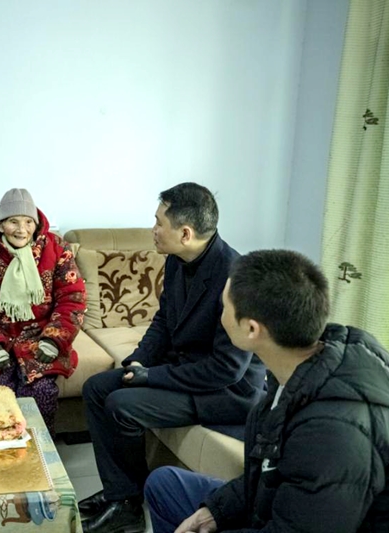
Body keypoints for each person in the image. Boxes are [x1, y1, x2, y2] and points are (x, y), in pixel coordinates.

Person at [144, 250, 389, 532]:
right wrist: (215, 510)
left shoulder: (332, 436)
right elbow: (265, 473)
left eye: (223, 307)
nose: (220, 315)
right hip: (282, 505)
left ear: (251, 329)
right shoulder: (299, 365)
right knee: (164, 484)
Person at [80, 183, 266, 533]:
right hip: (185, 369)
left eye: (158, 222)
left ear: (185, 233)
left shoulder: (235, 277)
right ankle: (121, 495)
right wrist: (138, 361)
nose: (152, 229)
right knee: (96, 388)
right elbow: (164, 320)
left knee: (121, 404)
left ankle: (127, 506)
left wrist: (152, 376)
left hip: (223, 392)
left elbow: (226, 369)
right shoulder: (177, 261)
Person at [0, 188, 86, 435]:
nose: (22, 230)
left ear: (36, 224)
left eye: (28, 222)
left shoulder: (57, 247)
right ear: (0, 224)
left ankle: (40, 449)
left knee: (41, 391)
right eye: (13, 221)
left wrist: (54, 340)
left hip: (39, 339)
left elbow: (72, 298)